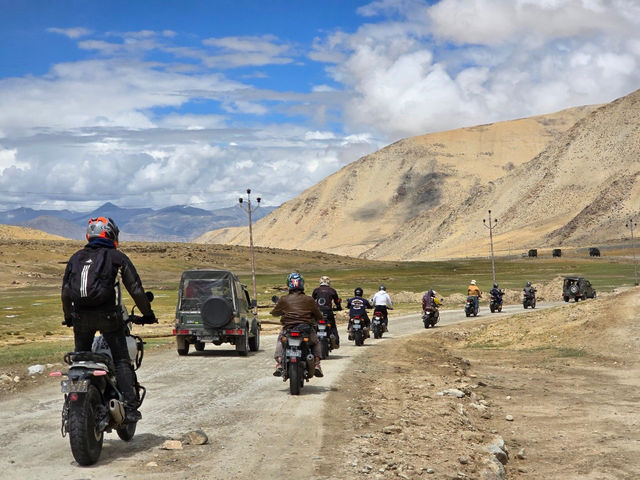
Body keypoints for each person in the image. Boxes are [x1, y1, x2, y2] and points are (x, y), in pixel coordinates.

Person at [61, 217, 156, 423]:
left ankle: (73, 403)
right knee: (121, 359)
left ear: (90, 235)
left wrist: (69, 317)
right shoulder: (116, 257)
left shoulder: (75, 258)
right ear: (111, 234)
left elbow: (66, 292)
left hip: (80, 319)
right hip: (109, 317)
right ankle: (130, 408)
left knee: (80, 360)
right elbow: (136, 289)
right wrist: (148, 314)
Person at [271, 272, 323, 378]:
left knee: (281, 341)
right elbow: (319, 316)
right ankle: (317, 364)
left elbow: (275, 313)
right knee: (316, 342)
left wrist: (281, 311)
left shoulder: (284, 299)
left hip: (288, 329)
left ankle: (280, 363)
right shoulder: (309, 299)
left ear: (289, 284)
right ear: (302, 284)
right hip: (306, 330)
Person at [312, 275, 342, 349]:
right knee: (333, 326)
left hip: (318, 312)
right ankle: (336, 342)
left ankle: (311, 342)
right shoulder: (332, 290)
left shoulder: (316, 290)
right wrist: (338, 307)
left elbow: (312, 301)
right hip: (328, 311)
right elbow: (337, 301)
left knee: (313, 326)